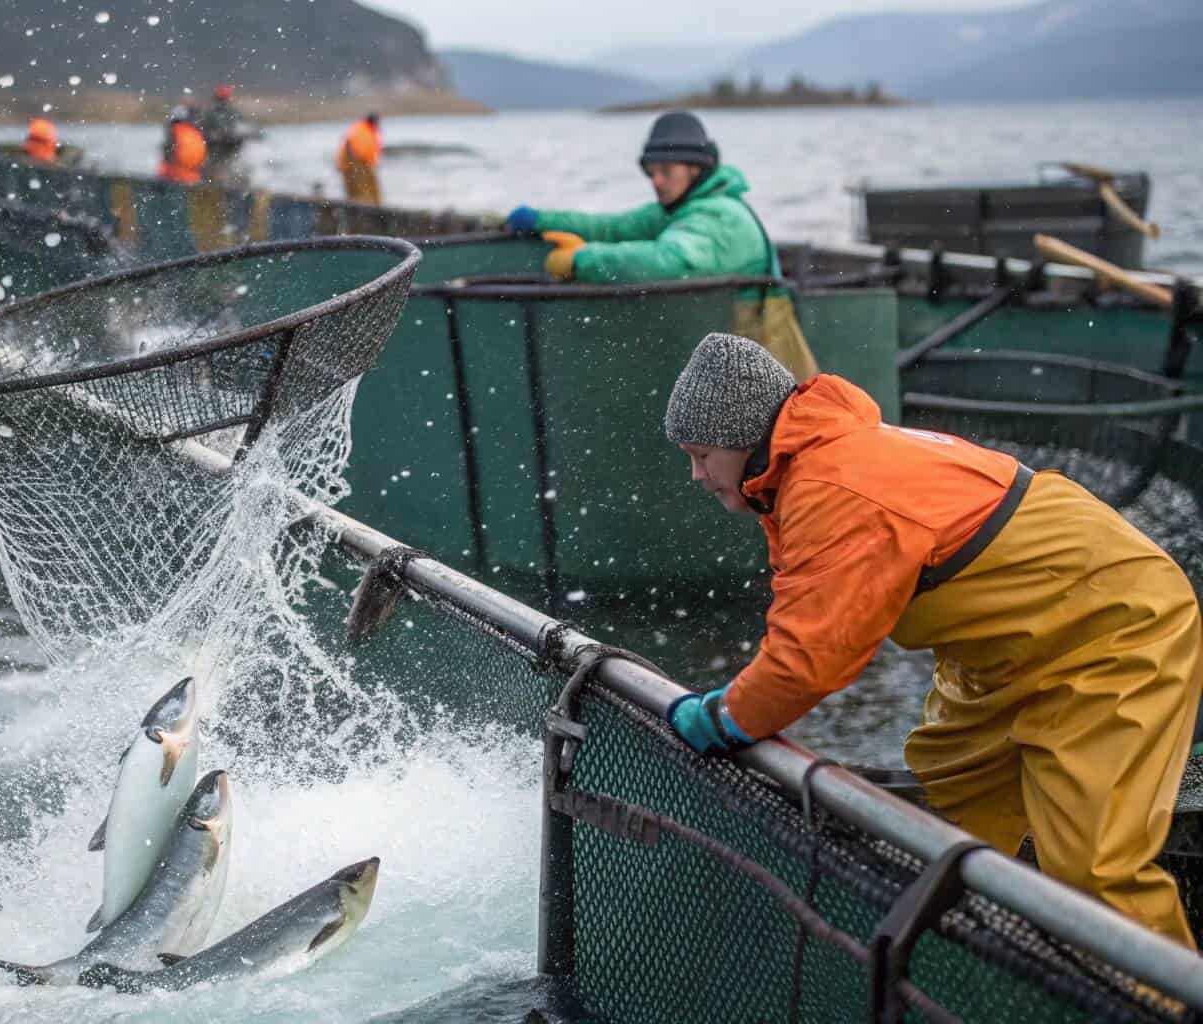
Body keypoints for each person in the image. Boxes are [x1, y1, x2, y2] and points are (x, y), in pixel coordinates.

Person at [660, 332, 1203, 949]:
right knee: (946, 814)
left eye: (703, 455)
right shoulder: (807, 469)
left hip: (1112, 630)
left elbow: (806, 662)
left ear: (746, 440)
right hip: (1008, 651)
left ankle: (1160, 999)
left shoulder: (833, 487)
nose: (698, 475)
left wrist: (723, 717)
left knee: (1095, 869)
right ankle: (978, 968)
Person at [505, 112, 816, 380]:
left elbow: (669, 262)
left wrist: (579, 260)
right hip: (722, 362)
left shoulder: (720, 216)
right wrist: (542, 220)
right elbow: (614, 228)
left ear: (695, 169)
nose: (656, 181)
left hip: (761, 371)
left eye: (666, 171)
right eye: (651, 172)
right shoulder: (684, 207)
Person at [337, 113, 382, 206]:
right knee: (361, 192)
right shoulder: (361, 131)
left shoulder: (366, 130)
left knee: (365, 192)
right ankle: (366, 210)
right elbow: (362, 150)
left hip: (362, 164)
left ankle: (370, 207)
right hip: (356, 164)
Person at [158, 106, 207, 185]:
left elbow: (168, 155)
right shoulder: (194, 132)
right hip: (194, 176)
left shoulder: (174, 131)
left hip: (177, 175)